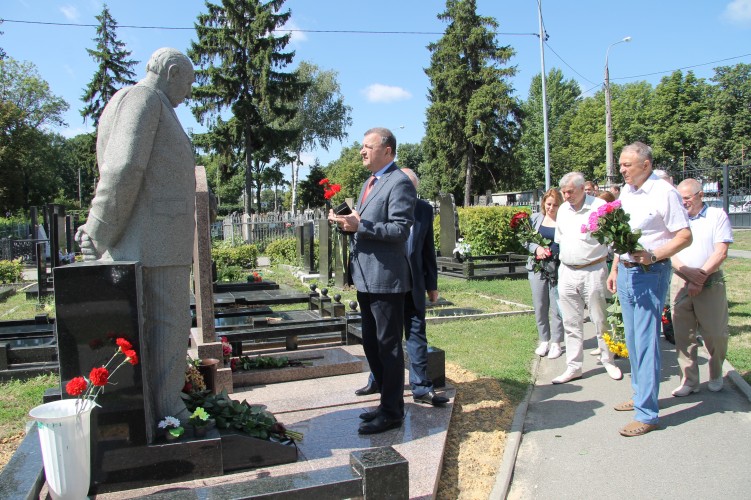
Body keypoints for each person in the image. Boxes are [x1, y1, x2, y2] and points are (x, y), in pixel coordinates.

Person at [75, 48, 196, 428]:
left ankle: (163, 408)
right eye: (188, 82)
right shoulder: (143, 98)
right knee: (169, 327)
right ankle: (167, 412)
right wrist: (97, 229)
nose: (188, 93)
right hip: (152, 244)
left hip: (157, 242)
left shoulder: (147, 102)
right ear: (172, 71)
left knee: (164, 328)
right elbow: (123, 168)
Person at [329, 127, 416, 434]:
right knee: (371, 344)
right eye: (362, 146)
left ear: (387, 151)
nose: (362, 151)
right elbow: (362, 226)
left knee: (388, 346)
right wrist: (345, 224)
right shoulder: (369, 182)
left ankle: (393, 412)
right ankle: (384, 402)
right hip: (365, 277)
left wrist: (361, 225)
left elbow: (399, 230)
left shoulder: (399, 182)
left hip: (386, 279)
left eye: (368, 146)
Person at [607, 142, 692, 437]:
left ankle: (647, 414)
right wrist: (615, 267)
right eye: (620, 164)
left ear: (646, 165)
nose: (621, 169)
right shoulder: (628, 191)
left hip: (650, 273)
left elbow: (685, 236)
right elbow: (622, 234)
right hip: (627, 271)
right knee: (632, 340)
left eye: (627, 165)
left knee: (645, 341)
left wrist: (654, 256)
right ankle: (640, 395)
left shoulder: (664, 192)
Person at [354, 169, 448, 406]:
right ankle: (377, 380)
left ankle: (421, 387)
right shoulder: (381, 200)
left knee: (416, 332)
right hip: (387, 282)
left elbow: (427, 249)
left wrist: (432, 285)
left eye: (410, 189)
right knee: (384, 336)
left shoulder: (424, 210)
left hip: (413, 283)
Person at [552, 172, 623, 384]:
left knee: (600, 319)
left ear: (583, 188)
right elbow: (560, 239)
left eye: (570, 192)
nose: (566, 196)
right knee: (571, 322)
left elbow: (616, 242)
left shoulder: (598, 207)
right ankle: (573, 367)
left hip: (593, 270)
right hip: (567, 270)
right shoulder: (563, 210)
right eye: (563, 192)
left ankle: (608, 360)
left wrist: (614, 270)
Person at [670, 178, 732, 396]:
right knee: (683, 334)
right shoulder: (675, 219)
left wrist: (700, 278)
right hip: (681, 280)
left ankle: (716, 373)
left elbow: (721, 252)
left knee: (715, 333)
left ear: (701, 195)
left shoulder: (716, 215)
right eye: (680, 198)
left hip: (709, 280)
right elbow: (670, 253)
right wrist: (688, 275)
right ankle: (689, 381)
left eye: (687, 198)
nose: (683, 202)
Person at [524, 188, 564, 360]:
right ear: (543, 203)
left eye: (555, 205)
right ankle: (544, 339)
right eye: (549, 204)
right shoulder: (535, 219)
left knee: (556, 306)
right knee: (540, 304)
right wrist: (537, 248)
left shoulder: (564, 221)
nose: (551, 208)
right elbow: (526, 240)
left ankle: (556, 342)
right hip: (537, 267)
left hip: (557, 268)